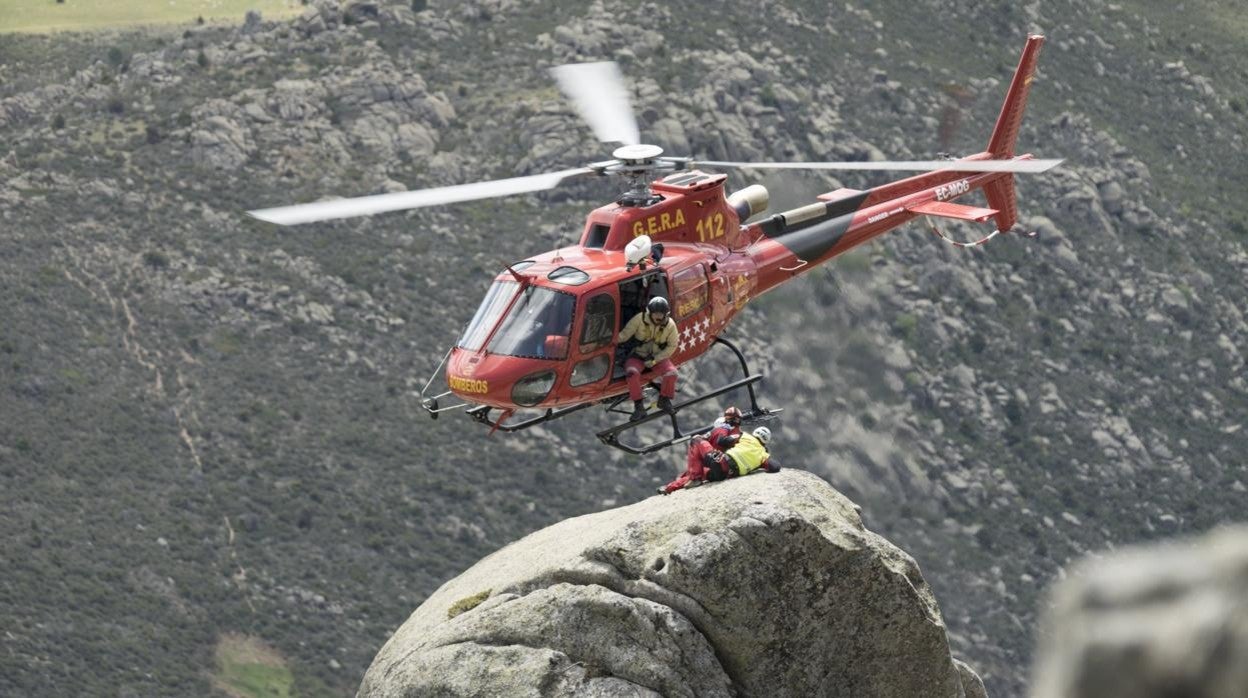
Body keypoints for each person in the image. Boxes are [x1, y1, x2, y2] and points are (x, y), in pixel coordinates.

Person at [618, 296, 680, 421]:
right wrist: (609, 341)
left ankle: (664, 399)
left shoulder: (670, 325)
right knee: (631, 373)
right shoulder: (639, 319)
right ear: (649, 313)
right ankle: (639, 407)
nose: (658, 316)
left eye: (660, 314)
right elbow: (624, 335)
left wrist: (655, 359)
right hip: (637, 356)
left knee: (672, 373)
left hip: (657, 357)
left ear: (665, 314)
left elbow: (672, 345)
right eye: (655, 313)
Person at [658, 406, 744, 495]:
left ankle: (671, 486)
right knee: (694, 474)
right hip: (724, 469)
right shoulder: (733, 432)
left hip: (720, 463)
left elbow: (721, 440)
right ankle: (670, 487)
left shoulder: (723, 430)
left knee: (695, 441)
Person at [707, 426, 780, 481]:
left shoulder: (744, 436)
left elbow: (722, 441)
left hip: (722, 461)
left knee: (698, 441)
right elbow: (775, 466)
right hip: (730, 473)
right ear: (766, 441)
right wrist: (759, 465)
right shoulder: (763, 454)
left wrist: (723, 429)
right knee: (710, 474)